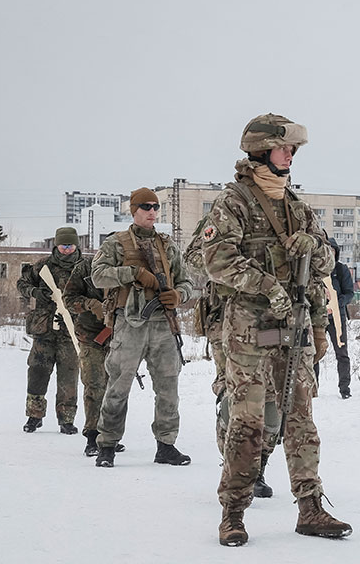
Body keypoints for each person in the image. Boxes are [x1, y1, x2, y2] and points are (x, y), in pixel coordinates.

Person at [203, 113, 351, 547]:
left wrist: (314, 246)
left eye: (292, 149)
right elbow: (216, 260)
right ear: (261, 150)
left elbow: (327, 262)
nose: (290, 156)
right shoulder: (235, 202)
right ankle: (233, 512)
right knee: (248, 423)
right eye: (285, 148)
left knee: (300, 419)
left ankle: (310, 506)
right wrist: (267, 286)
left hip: (295, 325)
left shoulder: (296, 207)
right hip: (249, 327)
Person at [90, 188, 194, 468]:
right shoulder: (116, 243)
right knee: (119, 385)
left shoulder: (167, 245)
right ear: (133, 210)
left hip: (163, 323)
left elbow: (186, 281)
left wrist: (179, 295)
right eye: (146, 206)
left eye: (155, 207)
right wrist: (133, 273)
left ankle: (166, 445)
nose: (152, 211)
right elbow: (98, 276)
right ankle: (107, 445)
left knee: (168, 386)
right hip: (130, 323)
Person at [184, 215, 276, 499]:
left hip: (268, 320)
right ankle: (235, 469)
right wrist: (231, 266)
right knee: (233, 391)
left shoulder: (277, 216)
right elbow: (192, 258)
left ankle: (259, 467)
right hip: (225, 321)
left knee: (271, 394)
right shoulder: (220, 218)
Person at [16, 227, 82, 435]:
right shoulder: (43, 266)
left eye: (70, 245)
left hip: (70, 331)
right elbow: (22, 283)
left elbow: (96, 293)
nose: (66, 249)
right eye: (63, 245)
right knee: (37, 372)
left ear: (76, 245)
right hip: (44, 331)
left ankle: (66, 420)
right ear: (56, 245)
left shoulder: (84, 267)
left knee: (68, 377)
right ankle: (34, 416)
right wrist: (35, 292)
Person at [63, 241, 123, 456]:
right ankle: (92, 436)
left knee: (115, 389)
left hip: (121, 337)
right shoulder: (85, 268)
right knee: (95, 386)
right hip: (91, 337)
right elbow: (68, 299)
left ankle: (109, 436)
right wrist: (89, 304)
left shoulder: (127, 269)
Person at [314, 238, 354, 399]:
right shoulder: (315, 269)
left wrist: (336, 304)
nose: (329, 253)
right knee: (315, 352)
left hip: (337, 316)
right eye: (326, 249)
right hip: (318, 316)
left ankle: (345, 389)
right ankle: (313, 388)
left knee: (342, 353)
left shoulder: (341, 269)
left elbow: (349, 293)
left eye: (332, 250)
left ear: (336, 252)